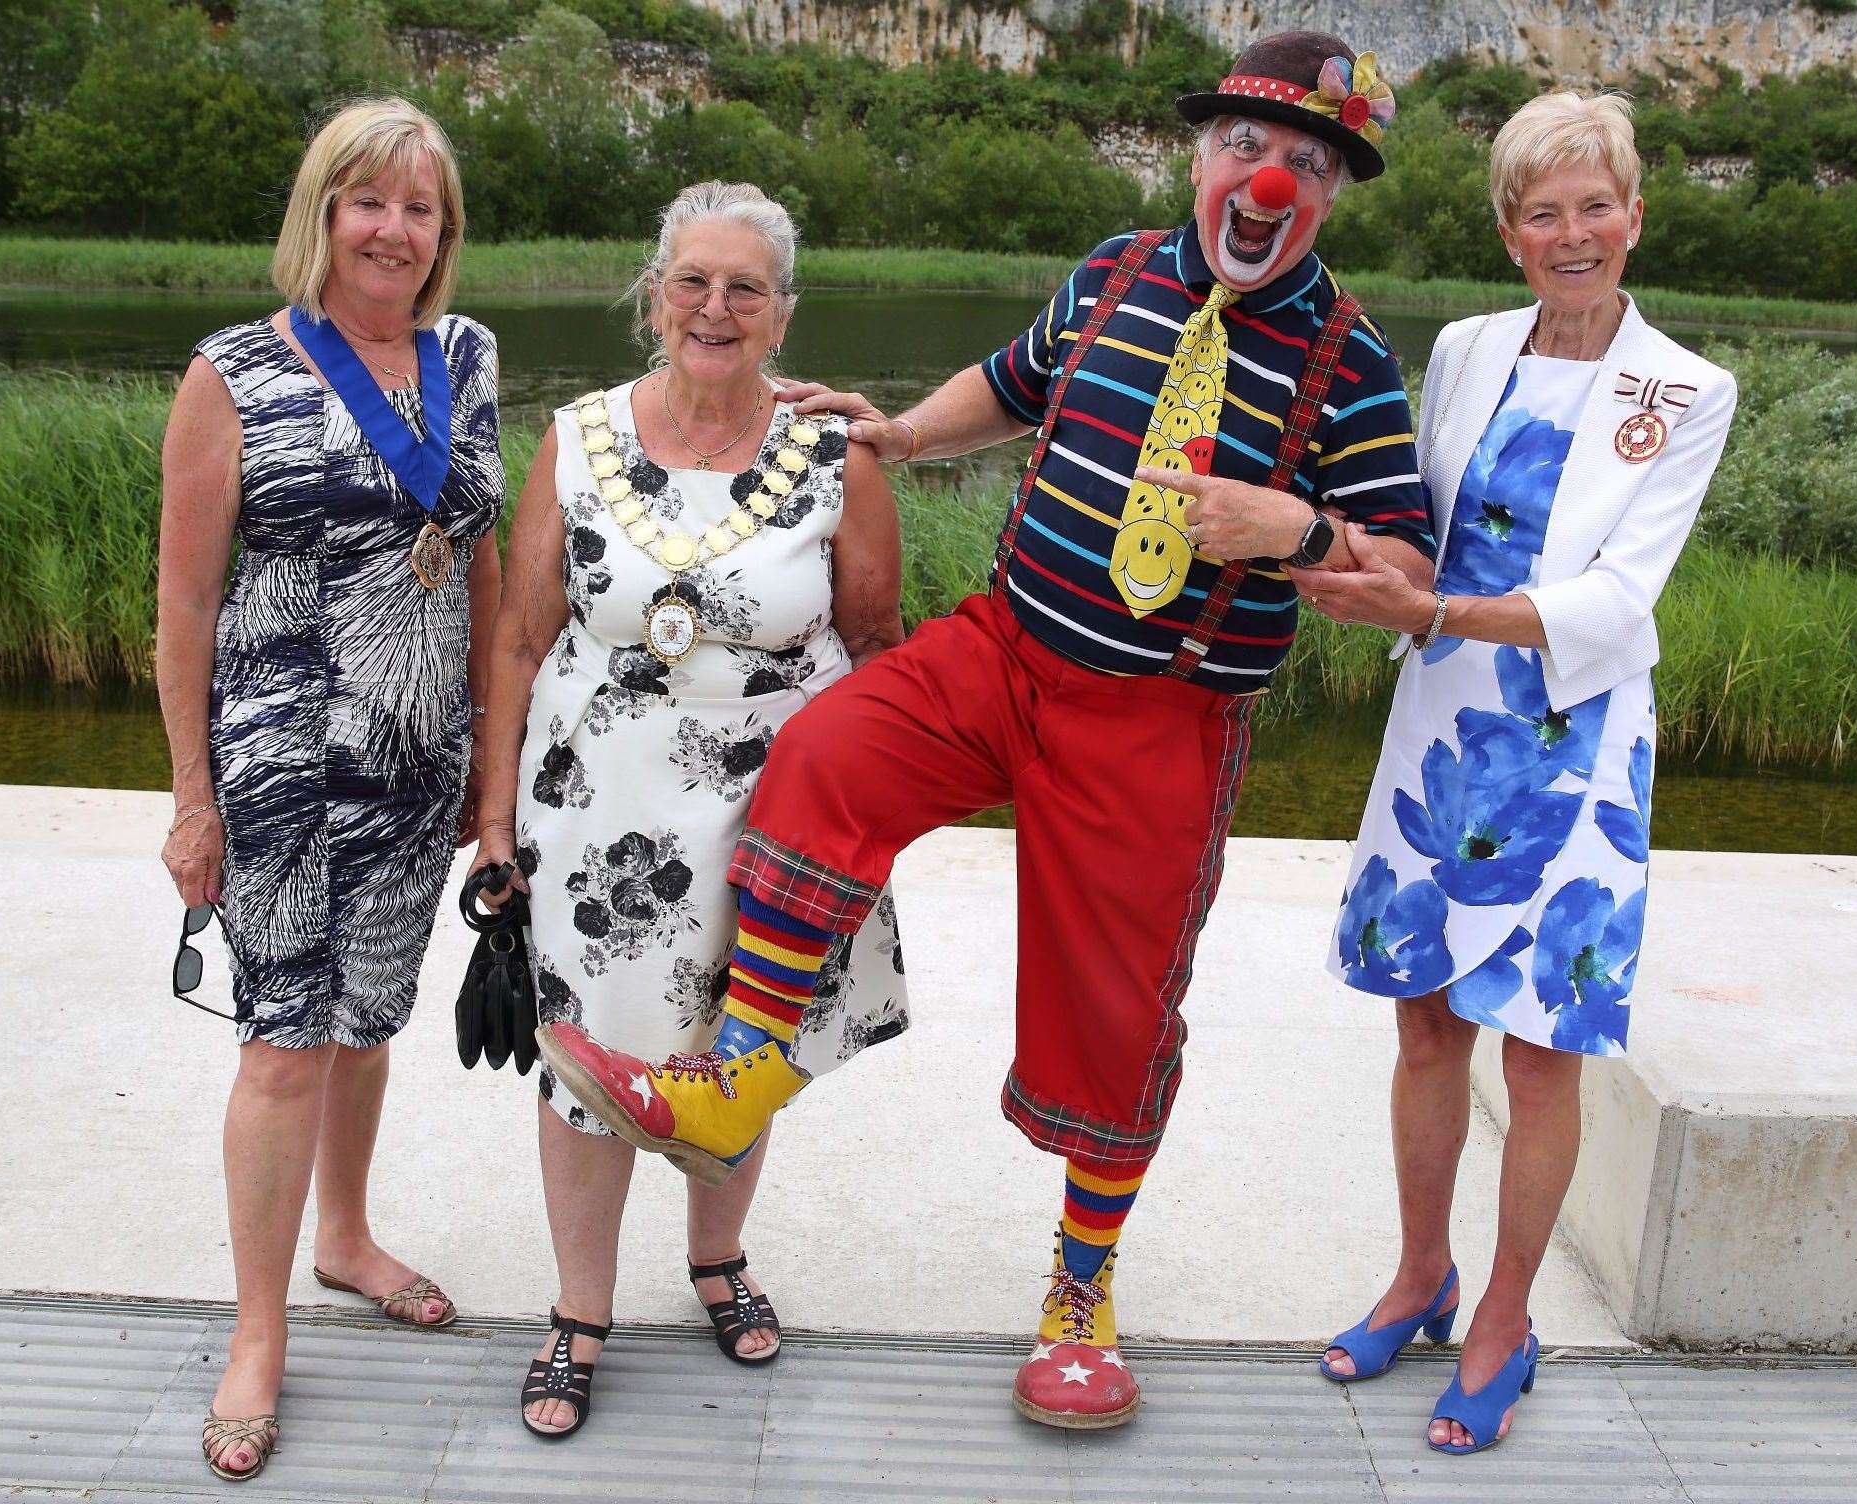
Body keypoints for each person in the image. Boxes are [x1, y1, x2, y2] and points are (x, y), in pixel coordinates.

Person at [538, 34, 1436, 1429]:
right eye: (1242, 151)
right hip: (1005, 648)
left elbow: (1412, 582)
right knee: (826, 751)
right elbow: (1007, 387)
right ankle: (734, 1074)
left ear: (1333, 193)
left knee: (1113, 1008)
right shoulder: (1113, 272)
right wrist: (892, 435)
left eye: (1307, 166)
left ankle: (1081, 1287)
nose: (1266, 181)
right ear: (1197, 160)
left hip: (1159, 715)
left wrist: (1300, 530)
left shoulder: (1352, 362)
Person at [1292, 91, 1737, 1455]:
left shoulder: (1686, 390)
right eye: (1541, 211)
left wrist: (1427, 614)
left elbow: (1614, 603)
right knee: (1424, 1022)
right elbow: (1417, 528)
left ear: (1633, 215)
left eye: (1593, 204)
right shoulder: (1468, 348)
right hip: (1438, 723)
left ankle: (1501, 1317)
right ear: (1506, 231)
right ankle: (1419, 1273)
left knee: (1541, 1054)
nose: (1571, 232)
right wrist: (1344, 562)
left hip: (1574, 746)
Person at [470, 181, 909, 1439]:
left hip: (778, 809)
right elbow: (515, 638)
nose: (714, 308)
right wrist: (495, 817)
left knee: (740, 1047)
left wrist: (869, 825)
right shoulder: (577, 431)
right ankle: (578, 1307)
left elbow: (879, 643)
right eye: (691, 282)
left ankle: (717, 1259)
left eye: (745, 288)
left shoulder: (843, 448)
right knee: (583, 1061)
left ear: (782, 313)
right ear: (653, 294)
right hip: (591, 804)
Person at [156, 97, 503, 1481]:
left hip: (422, 762)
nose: (394, 229)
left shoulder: (466, 357)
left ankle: (346, 1239)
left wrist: (489, 770)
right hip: (286, 762)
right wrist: (191, 797)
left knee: (367, 1023)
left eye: (419, 208)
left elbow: (475, 561)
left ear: (442, 233)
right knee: (285, 1043)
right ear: (324, 213)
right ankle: (258, 1333)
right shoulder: (234, 372)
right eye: (369, 201)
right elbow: (184, 602)